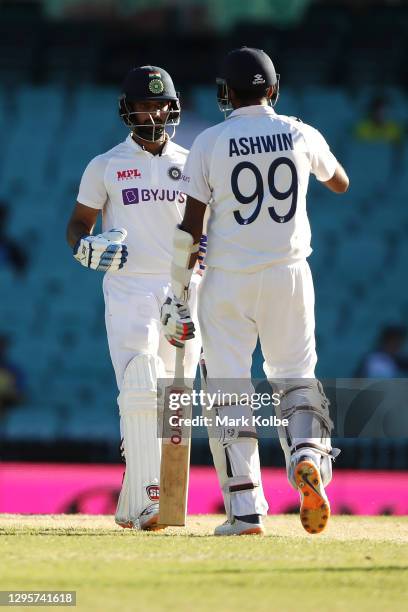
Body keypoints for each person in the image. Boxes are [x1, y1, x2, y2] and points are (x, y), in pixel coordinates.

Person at [162, 47, 349, 536]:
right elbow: (341, 183)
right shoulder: (299, 131)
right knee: (296, 377)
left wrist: (178, 291)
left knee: (228, 389)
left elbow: (189, 229)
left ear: (226, 92)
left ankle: (245, 510)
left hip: (227, 280)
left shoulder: (209, 141)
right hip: (289, 274)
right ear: (274, 88)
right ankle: (308, 455)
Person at [66, 65, 201, 531]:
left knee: (172, 399)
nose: (155, 112)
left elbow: (212, 230)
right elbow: (78, 224)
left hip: (183, 287)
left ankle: (132, 501)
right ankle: (150, 501)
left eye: (161, 104)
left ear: (174, 107)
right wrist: (85, 248)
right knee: (140, 381)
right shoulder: (105, 165)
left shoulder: (192, 161)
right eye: (145, 104)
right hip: (128, 287)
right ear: (128, 109)